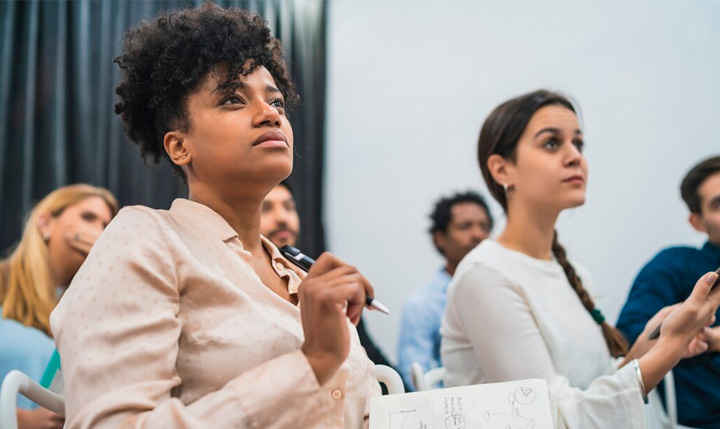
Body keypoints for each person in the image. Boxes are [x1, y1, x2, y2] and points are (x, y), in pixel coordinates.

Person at [50, 4, 380, 428]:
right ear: (178, 146)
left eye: (276, 100)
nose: (270, 113)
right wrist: (311, 362)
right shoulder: (145, 240)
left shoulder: (303, 278)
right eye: (232, 99)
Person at [441, 90, 720, 428]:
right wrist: (669, 348)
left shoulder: (573, 274)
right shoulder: (485, 275)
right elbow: (550, 419)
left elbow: (597, 388)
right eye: (551, 143)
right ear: (502, 169)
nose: (575, 156)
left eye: (578, 144)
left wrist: (652, 340)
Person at [0, 184, 117, 429]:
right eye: (88, 217)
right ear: (45, 223)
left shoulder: (89, 313)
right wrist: (22, 419)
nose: (97, 232)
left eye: (106, 226)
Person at [618, 156, 720, 428]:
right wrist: (708, 338)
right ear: (698, 222)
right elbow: (632, 337)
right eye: (719, 204)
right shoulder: (674, 266)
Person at [260, 181, 396, 371]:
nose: (282, 217)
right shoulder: (250, 280)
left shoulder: (325, 281)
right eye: (266, 209)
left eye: (289, 207)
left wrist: (414, 396)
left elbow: (371, 356)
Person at [397, 191, 492, 389]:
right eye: (465, 226)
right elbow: (416, 377)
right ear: (440, 238)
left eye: (484, 227)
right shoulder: (421, 305)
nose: (478, 234)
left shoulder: (504, 291)